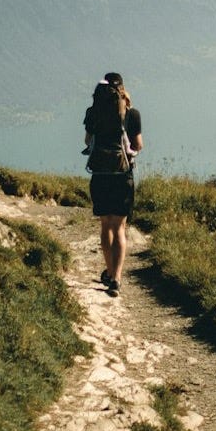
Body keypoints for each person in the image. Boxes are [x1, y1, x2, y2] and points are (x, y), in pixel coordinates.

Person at [83, 72, 143, 296]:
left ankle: (109, 271)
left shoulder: (93, 112)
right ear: (122, 89)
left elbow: (88, 141)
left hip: (99, 175)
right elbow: (137, 146)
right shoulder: (132, 114)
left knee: (105, 225)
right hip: (122, 176)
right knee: (119, 228)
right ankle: (116, 278)